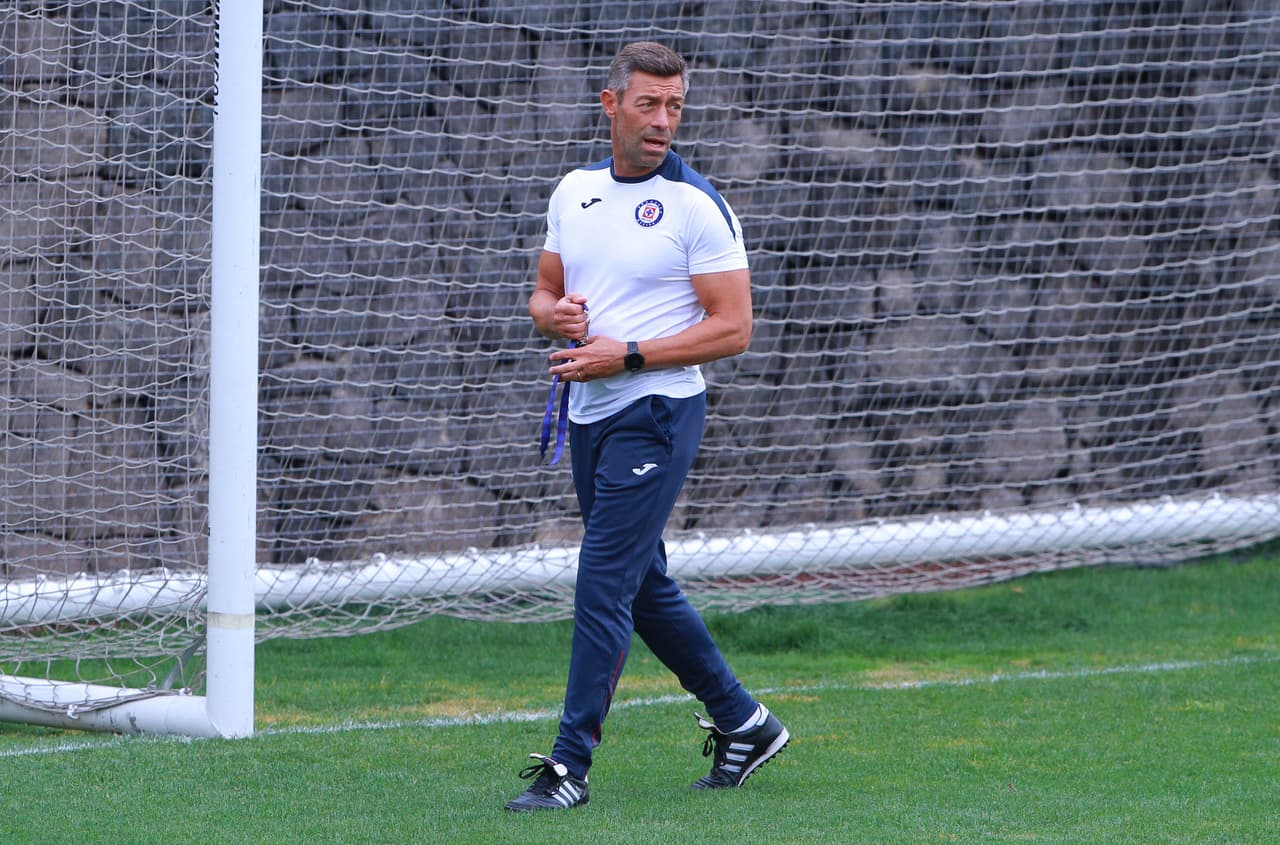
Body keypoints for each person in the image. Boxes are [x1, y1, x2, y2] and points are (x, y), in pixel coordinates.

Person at [506, 41, 789, 813]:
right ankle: (745, 720)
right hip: (590, 411)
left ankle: (568, 767)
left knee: (602, 582)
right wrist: (553, 316)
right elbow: (543, 293)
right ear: (611, 104)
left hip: (657, 412)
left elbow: (734, 328)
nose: (663, 120)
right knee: (643, 584)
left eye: (675, 107)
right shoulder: (575, 190)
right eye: (649, 104)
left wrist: (627, 354)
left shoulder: (697, 205)